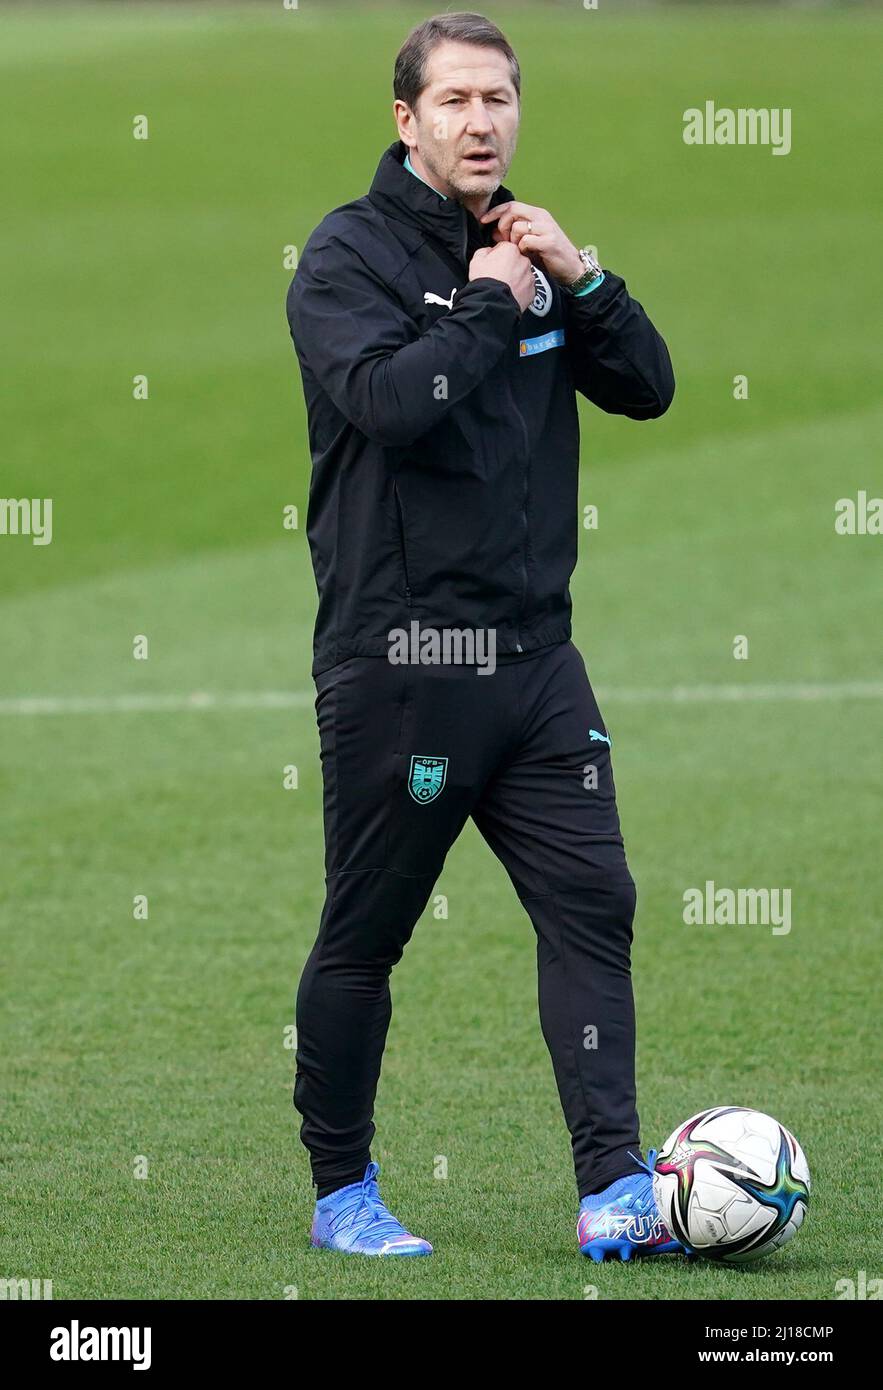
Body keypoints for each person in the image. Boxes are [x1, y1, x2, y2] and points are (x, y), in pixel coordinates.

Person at [286, 11, 682, 1261]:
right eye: (453, 101)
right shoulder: (345, 260)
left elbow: (649, 385)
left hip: (537, 660)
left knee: (593, 902)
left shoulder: (528, 248)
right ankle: (342, 1190)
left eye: (498, 99)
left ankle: (615, 1184)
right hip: (407, 663)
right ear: (404, 120)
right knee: (368, 930)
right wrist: (493, 304)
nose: (480, 122)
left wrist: (583, 278)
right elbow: (395, 405)